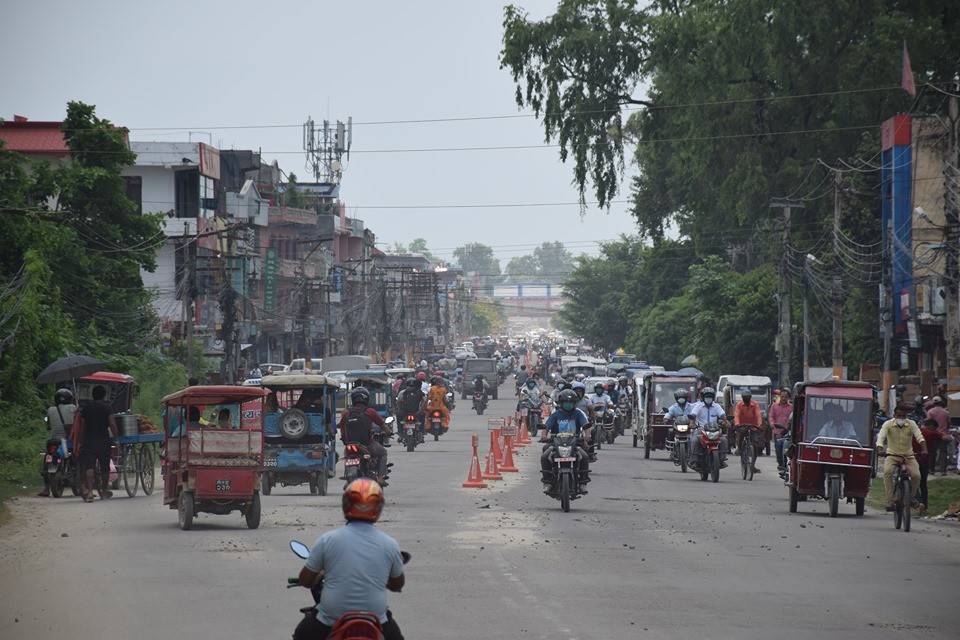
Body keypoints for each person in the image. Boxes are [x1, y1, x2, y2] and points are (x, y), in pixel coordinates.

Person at [293, 478, 405, 640]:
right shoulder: (389, 544)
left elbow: (305, 580)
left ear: (345, 504)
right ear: (379, 507)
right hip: (376, 620)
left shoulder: (328, 540)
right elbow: (397, 584)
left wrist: (323, 573)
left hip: (329, 620)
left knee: (300, 635)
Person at [338, 387, 392, 486]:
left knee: (348, 457)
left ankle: (347, 480)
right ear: (367, 399)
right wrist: (388, 432)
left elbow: (340, 425)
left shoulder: (346, 413)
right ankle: (380, 477)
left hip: (350, 445)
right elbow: (382, 425)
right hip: (367, 445)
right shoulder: (370, 411)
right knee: (383, 453)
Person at [877, 404, 926, 511]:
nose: (901, 419)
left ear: (906, 416)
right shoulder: (888, 424)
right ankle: (890, 500)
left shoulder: (911, 424)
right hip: (892, 455)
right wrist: (880, 449)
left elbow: (919, 437)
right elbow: (881, 437)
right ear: (894, 415)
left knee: (916, 475)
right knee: (888, 472)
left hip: (908, 455)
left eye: (904, 416)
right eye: (899, 416)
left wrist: (924, 449)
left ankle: (911, 497)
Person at [540, 389, 591, 493]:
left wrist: (587, 436)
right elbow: (546, 428)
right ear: (561, 403)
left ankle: (583, 483)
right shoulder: (555, 415)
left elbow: (586, 426)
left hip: (575, 443)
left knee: (584, 456)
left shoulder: (578, 414)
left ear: (575, 403)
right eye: (566, 403)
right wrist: (544, 436)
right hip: (556, 443)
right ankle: (547, 482)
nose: (568, 405)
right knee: (545, 455)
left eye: (570, 403)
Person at [75, 385, 119, 503]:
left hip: (89, 441)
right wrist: (117, 439)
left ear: (92, 395)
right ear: (104, 396)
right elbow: (112, 424)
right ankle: (104, 492)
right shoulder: (107, 408)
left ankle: (89, 492)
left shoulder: (86, 409)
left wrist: (79, 441)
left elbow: (82, 427)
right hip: (103, 441)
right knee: (105, 468)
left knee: (90, 466)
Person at [37, 388, 78, 497]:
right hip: (68, 441)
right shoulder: (73, 408)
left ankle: (46, 489)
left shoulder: (50, 409)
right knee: (76, 457)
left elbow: (48, 425)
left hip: (53, 440)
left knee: (47, 457)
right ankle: (77, 479)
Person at [914, 418, 954, 512]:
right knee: (923, 484)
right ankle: (924, 504)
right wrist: (943, 433)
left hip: (912, 459)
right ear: (932, 427)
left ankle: (919, 502)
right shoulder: (932, 433)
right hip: (923, 460)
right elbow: (947, 439)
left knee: (913, 482)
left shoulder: (916, 431)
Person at [689, 387, 729, 469]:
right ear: (703, 398)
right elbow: (693, 415)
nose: (708, 398)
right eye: (707, 397)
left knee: (723, 440)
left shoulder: (717, 406)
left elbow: (722, 415)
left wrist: (726, 422)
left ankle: (721, 460)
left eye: (710, 397)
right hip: (701, 429)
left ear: (713, 397)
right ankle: (694, 461)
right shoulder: (698, 406)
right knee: (694, 440)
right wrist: (692, 423)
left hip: (715, 430)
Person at [734, 391, 763, 473]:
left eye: (748, 398)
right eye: (744, 398)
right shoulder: (739, 405)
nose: (746, 400)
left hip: (752, 427)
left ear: (750, 398)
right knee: (741, 434)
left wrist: (759, 425)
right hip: (742, 426)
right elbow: (736, 415)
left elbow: (758, 415)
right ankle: (739, 449)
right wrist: (737, 424)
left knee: (756, 445)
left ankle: (753, 465)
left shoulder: (755, 404)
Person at [924, 395, 951, 476]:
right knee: (943, 453)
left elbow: (929, 424)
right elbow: (948, 423)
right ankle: (943, 471)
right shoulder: (946, 412)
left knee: (932, 452)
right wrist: (945, 430)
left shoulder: (930, 412)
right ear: (941, 402)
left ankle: (931, 470)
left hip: (933, 435)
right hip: (943, 435)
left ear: (933, 403)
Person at [768, 388, 793, 471]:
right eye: (782, 397)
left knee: (785, 451)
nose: (784, 398)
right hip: (777, 433)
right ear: (780, 397)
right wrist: (772, 424)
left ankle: (785, 467)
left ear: (788, 397)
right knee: (778, 451)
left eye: (785, 397)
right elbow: (771, 417)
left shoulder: (791, 408)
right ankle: (780, 465)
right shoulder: (774, 406)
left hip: (787, 433)